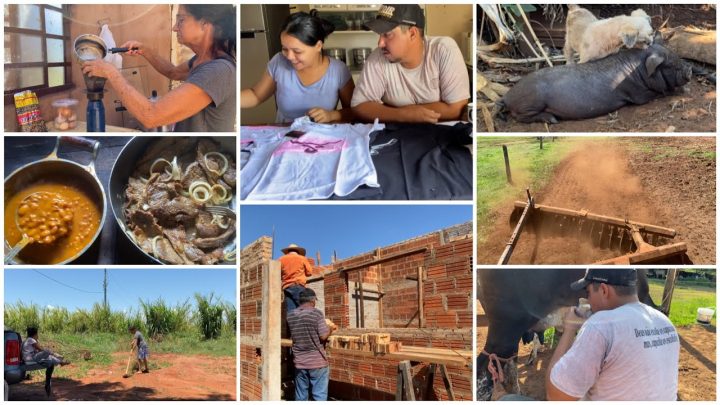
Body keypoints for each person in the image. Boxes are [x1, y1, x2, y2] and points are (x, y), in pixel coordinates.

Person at [81, 4, 236, 132]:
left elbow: (152, 116)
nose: (175, 28)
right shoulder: (202, 60)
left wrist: (111, 72)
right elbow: (173, 72)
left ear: (205, 24)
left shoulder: (218, 71)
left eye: (181, 20)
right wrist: (146, 51)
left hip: (204, 156)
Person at [545, 269, 680, 401]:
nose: (588, 300)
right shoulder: (665, 322)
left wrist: (569, 328)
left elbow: (556, 396)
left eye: (588, 293)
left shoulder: (601, 325)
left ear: (604, 290)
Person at [351, 4, 470, 124]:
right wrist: (402, 114)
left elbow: (456, 108)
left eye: (387, 34)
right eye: (380, 35)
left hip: (442, 134)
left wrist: (393, 110)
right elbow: (359, 106)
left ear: (412, 34)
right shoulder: (378, 58)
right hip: (396, 136)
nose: (380, 43)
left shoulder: (443, 50)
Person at [241, 11, 354, 123]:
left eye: (297, 51)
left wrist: (332, 115)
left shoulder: (338, 70)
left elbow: (355, 112)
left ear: (318, 46)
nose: (289, 57)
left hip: (322, 138)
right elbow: (256, 96)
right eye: (285, 49)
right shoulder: (279, 62)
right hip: (284, 136)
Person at [287, 288, 337, 401]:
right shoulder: (316, 313)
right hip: (317, 362)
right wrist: (330, 328)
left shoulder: (290, 315)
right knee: (319, 396)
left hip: (299, 362)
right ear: (313, 300)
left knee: (301, 396)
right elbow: (323, 336)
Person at [22, 327, 70, 396]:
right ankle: (59, 360)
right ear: (35, 334)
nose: (38, 335)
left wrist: (45, 352)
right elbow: (40, 349)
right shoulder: (31, 340)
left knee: (49, 358)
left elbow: (38, 350)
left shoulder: (28, 340)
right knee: (47, 351)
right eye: (37, 334)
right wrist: (52, 353)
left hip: (30, 358)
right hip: (30, 359)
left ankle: (60, 362)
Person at [279, 243, 314, 315]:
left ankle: (292, 326)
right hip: (298, 286)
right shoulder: (302, 258)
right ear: (297, 251)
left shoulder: (281, 259)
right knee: (306, 309)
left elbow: (277, 273)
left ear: (288, 251)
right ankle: (308, 325)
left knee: (291, 312)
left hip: (286, 287)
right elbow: (309, 273)